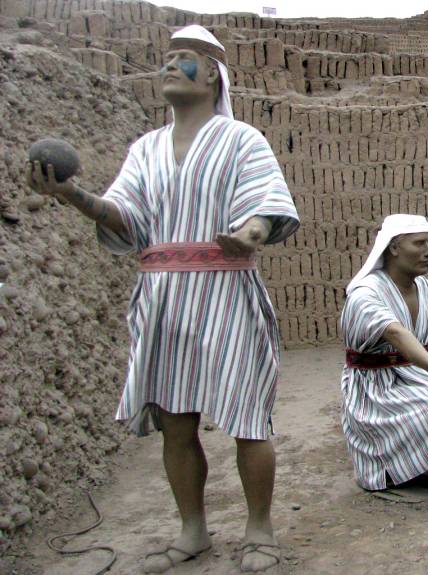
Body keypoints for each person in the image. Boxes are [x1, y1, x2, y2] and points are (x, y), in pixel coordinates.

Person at [25, 25, 299, 573]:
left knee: (248, 419)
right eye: (168, 58)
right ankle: (193, 529)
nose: (171, 66)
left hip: (225, 291)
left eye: (186, 59)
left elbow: (267, 204)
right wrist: (71, 195)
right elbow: (125, 218)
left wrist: (247, 234)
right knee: (176, 421)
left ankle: (259, 530)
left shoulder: (242, 139)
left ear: (214, 74)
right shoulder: (145, 149)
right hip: (164, 297)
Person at [339, 214, 428, 491]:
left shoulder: (426, 289)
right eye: (419, 243)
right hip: (377, 387)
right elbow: (394, 332)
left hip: (417, 372)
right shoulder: (366, 293)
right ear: (393, 248)